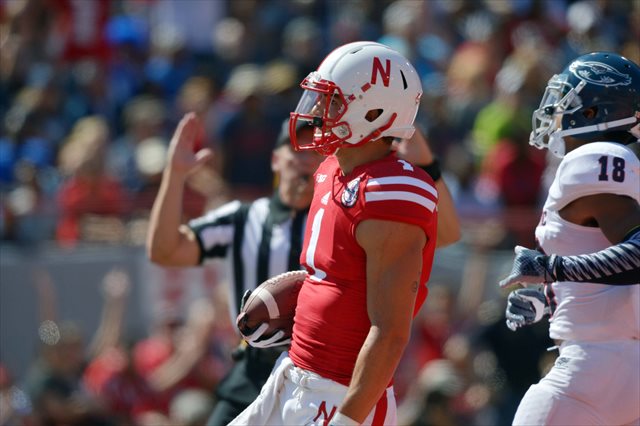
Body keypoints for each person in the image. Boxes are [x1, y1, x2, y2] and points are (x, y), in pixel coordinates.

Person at [231, 40, 455, 426]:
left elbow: (390, 331)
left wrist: (348, 419)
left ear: (373, 111)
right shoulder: (332, 168)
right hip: (293, 374)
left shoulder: (392, 192)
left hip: (339, 394)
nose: (318, 112)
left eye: (332, 102)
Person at [498, 52, 640, 425]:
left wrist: (551, 268)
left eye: (568, 102)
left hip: (595, 365)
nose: (556, 113)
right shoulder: (619, 162)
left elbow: (638, 255)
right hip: (622, 366)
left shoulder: (595, 158)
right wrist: (548, 297)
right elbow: (606, 258)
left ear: (594, 113)